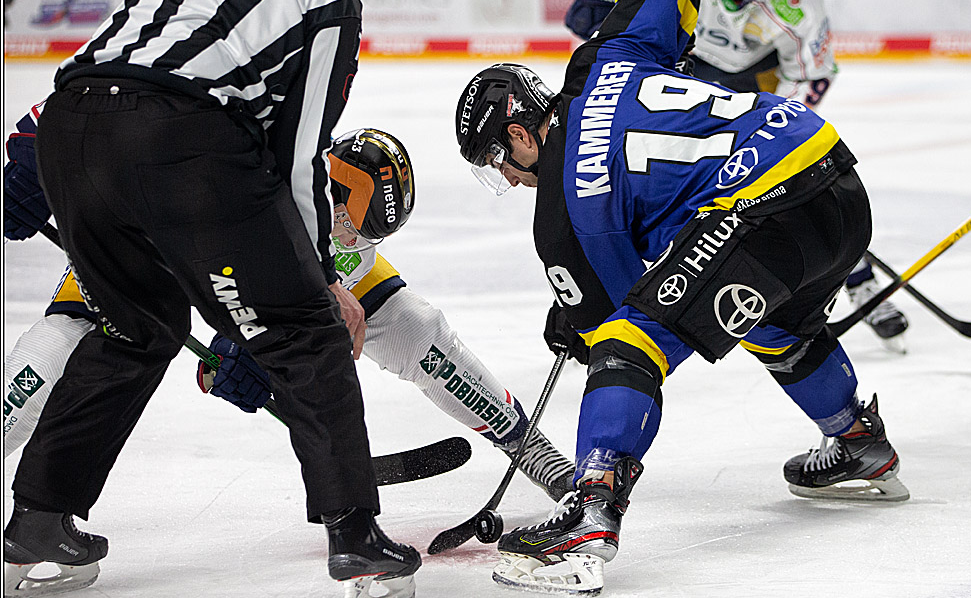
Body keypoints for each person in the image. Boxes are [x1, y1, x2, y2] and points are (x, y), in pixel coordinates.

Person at [455, 0, 908, 596]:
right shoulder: (604, 57)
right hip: (830, 174)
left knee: (628, 344)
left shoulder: (561, 219)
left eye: (498, 162)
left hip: (763, 210)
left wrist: (577, 319)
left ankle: (590, 515)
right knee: (774, 324)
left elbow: (619, 325)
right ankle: (857, 441)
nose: (506, 179)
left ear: (519, 132)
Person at [3, 0, 416, 598]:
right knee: (305, 329)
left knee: (136, 330)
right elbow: (296, 151)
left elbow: (118, 58)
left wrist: (24, 166)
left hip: (71, 126)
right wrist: (317, 281)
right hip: (179, 136)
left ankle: (38, 519)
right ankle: (356, 537)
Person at [3, 113, 575, 500]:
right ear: (330, 191)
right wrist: (237, 343)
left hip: (258, 273)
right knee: (52, 360)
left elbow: (296, 307)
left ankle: (538, 455)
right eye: (349, 227)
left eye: (364, 239)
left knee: (414, 325)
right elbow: (206, 266)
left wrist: (248, 356)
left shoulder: (344, 240)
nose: (352, 243)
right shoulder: (258, 185)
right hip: (147, 254)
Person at [563, 0, 910, 352]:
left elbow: (813, 73)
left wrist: (775, 141)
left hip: (752, 86)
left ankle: (861, 284)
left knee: (795, 195)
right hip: (679, 74)